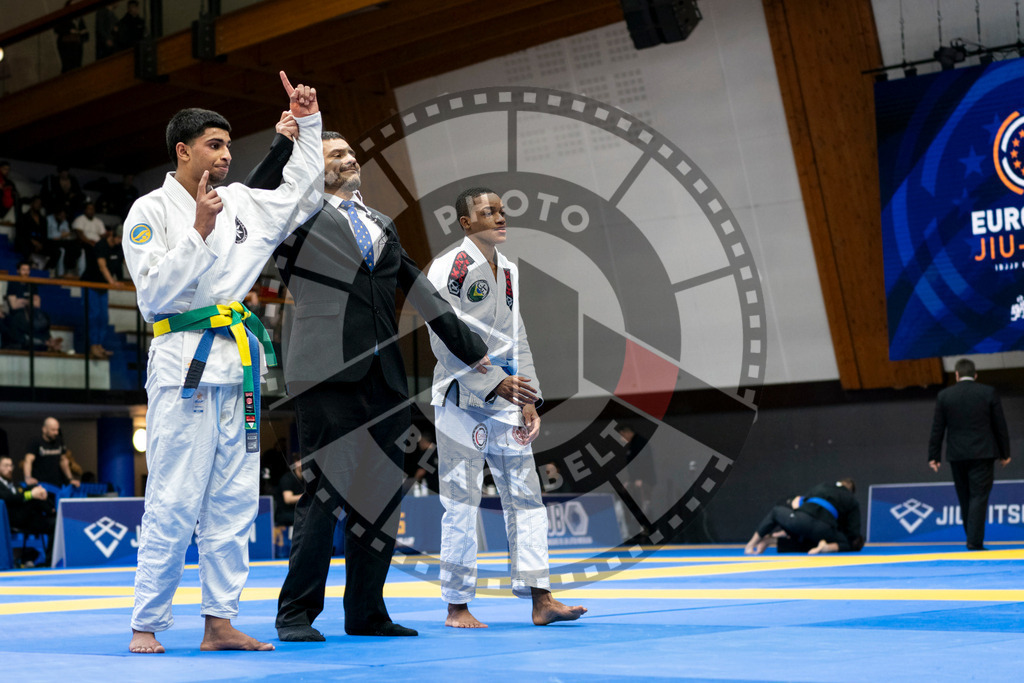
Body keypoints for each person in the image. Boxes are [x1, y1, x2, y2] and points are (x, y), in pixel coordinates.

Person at [246, 130, 491, 641]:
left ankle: (366, 612)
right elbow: (253, 198)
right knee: (325, 494)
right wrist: (285, 145)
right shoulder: (297, 216)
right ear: (316, 166)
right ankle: (296, 613)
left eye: (350, 153)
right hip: (325, 373)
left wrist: (472, 347)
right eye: (335, 154)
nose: (349, 159)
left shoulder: (381, 222)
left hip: (386, 377)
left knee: (380, 498)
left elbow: (420, 289)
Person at [121, 71, 323, 654]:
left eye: (229, 145)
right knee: (174, 497)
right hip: (183, 361)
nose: (226, 155)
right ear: (183, 151)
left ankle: (219, 621)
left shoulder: (239, 204)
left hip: (238, 366)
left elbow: (300, 193)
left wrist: (308, 125)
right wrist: (198, 231)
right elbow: (155, 296)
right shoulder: (150, 210)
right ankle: (147, 622)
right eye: (214, 144)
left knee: (233, 501)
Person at [424, 187, 586, 628]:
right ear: (465, 223)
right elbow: (442, 339)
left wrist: (529, 398)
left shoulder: (509, 269)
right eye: (487, 212)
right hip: (462, 399)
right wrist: (495, 382)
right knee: (461, 501)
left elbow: (518, 337)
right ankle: (457, 606)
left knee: (527, 499)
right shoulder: (449, 268)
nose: (499, 217)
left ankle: (541, 597)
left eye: (500, 210)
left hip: (508, 398)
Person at [928, 358, 1011, 550]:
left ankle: (972, 538)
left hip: (957, 455)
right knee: (978, 497)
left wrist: (934, 456)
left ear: (956, 375)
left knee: (964, 497)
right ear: (975, 375)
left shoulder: (945, 396)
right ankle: (974, 541)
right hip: (983, 453)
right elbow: (1000, 425)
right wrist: (1004, 453)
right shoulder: (987, 392)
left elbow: (937, 428)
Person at [744, 479, 862, 555]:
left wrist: (786, 530)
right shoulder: (852, 500)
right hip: (825, 529)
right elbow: (853, 532)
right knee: (847, 543)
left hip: (801, 520)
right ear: (851, 491)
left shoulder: (822, 487)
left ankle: (751, 545)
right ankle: (827, 547)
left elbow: (796, 504)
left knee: (776, 512)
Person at [0, 455, 54, 567]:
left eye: (11, 465)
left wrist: (36, 491)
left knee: (55, 524)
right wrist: (31, 494)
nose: (10, 469)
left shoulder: (15, 484)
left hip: (27, 518)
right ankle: (52, 510)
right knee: (33, 493)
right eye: (6, 465)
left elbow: (19, 495)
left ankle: (50, 562)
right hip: (10, 520)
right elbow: (8, 498)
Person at [80, 226, 126, 358]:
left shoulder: (119, 248)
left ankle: (99, 345)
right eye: (119, 238)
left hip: (103, 286)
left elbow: (123, 263)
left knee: (104, 317)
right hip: (91, 284)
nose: (120, 241)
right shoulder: (101, 245)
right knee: (94, 316)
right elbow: (102, 266)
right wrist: (112, 282)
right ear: (113, 235)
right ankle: (93, 345)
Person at [4, 261, 62, 352]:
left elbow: (37, 304)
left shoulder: (32, 284)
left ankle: (49, 340)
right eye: (23, 270)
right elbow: (14, 305)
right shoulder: (13, 283)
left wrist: (21, 300)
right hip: (18, 314)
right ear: (18, 271)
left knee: (42, 317)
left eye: (27, 270)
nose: (26, 272)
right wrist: (28, 301)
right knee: (27, 320)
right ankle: (46, 342)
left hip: (32, 312)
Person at [23, 417, 78, 490]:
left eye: (57, 430)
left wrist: (70, 479)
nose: (56, 433)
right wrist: (28, 478)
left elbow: (63, 461)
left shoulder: (59, 441)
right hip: (40, 485)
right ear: (44, 429)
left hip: (57, 484)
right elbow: (28, 461)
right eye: (53, 430)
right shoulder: (35, 442)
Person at [15, 197, 59, 269]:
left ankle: (47, 269)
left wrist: (40, 244)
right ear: (32, 204)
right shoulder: (24, 217)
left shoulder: (43, 220)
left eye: (40, 204)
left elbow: (45, 235)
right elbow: (21, 233)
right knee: (23, 243)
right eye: (37, 203)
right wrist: (32, 242)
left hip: (40, 242)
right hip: (27, 241)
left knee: (56, 250)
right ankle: (28, 266)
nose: (38, 205)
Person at [46, 207, 83, 277]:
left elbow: (67, 233)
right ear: (56, 215)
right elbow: (50, 235)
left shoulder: (64, 221)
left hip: (60, 241)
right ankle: (53, 270)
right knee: (60, 249)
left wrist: (60, 235)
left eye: (64, 215)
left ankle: (69, 269)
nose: (63, 217)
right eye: (61, 215)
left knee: (74, 246)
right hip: (49, 241)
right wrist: (61, 235)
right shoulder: (48, 219)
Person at [54, 1, 89, 73]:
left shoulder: (79, 19)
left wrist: (79, 33)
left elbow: (86, 35)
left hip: (77, 52)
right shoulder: (64, 18)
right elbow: (58, 29)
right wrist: (70, 32)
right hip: (68, 51)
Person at [0, 160, 20, 225]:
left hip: (8, 207)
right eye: (4, 169)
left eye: (8, 169)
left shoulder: (9, 182)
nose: (6, 171)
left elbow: (16, 193)